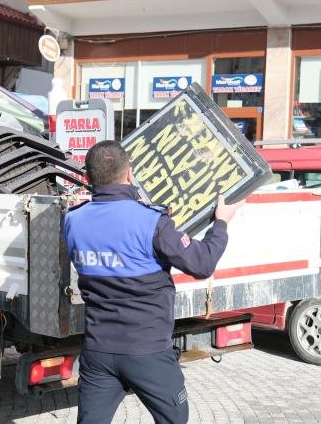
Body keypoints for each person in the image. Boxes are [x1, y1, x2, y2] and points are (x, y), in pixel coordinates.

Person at [63, 140, 243, 424]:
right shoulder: (151, 222)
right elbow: (202, 264)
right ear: (129, 173)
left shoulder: (73, 221)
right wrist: (220, 223)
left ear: (87, 177)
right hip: (148, 350)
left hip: (98, 351)